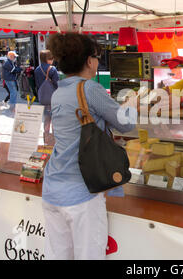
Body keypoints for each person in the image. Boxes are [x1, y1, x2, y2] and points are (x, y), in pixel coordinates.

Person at [42, 33, 138, 260]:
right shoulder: (89, 89)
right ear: (89, 61)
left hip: (53, 188)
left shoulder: (59, 92)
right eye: (97, 56)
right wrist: (131, 104)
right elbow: (126, 124)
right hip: (82, 192)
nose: (97, 61)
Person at [34, 50, 59, 145]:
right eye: (51, 58)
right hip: (53, 98)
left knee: (46, 119)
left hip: (43, 98)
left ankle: (46, 140)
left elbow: (37, 84)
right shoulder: (52, 69)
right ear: (48, 59)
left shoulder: (37, 69)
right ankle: (54, 141)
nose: (52, 60)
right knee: (55, 120)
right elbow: (57, 84)